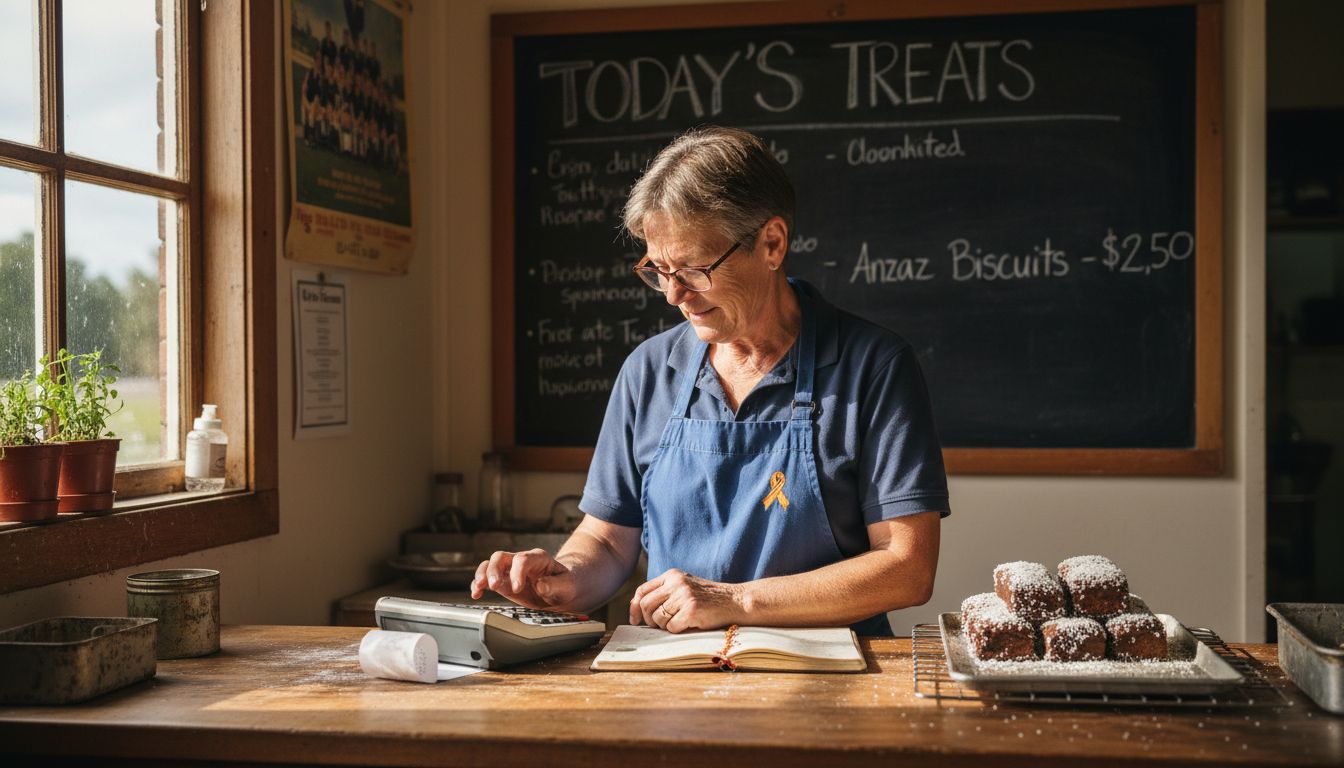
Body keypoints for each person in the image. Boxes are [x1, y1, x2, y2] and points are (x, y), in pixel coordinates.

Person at [471, 126, 949, 635]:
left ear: (772, 243)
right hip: (677, 672)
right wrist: (564, 579)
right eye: (659, 270)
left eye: (694, 269)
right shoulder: (648, 371)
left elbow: (907, 568)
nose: (673, 295)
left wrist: (734, 601)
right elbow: (608, 541)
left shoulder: (874, 367)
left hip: (827, 673)